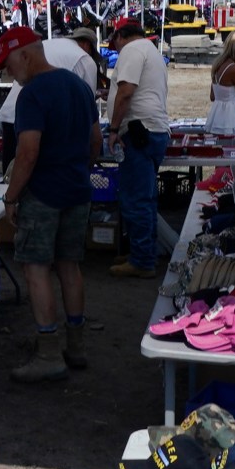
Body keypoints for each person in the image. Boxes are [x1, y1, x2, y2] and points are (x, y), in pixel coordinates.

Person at [0, 27, 99, 382]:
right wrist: (81, 170)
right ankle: (77, 345)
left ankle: (49, 350)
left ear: (24, 54)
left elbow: (27, 153)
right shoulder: (78, 86)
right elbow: (95, 141)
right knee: (70, 266)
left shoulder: (33, 93)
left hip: (44, 193)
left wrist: (11, 196)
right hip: (77, 190)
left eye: (8, 63)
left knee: (36, 268)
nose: (9, 73)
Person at [104, 18, 170, 277]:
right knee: (146, 198)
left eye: (114, 42)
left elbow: (126, 91)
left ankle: (142, 260)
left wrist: (113, 128)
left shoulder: (132, 50)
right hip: (151, 130)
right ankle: (142, 252)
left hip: (138, 131)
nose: (115, 48)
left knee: (136, 198)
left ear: (121, 35)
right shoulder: (150, 49)